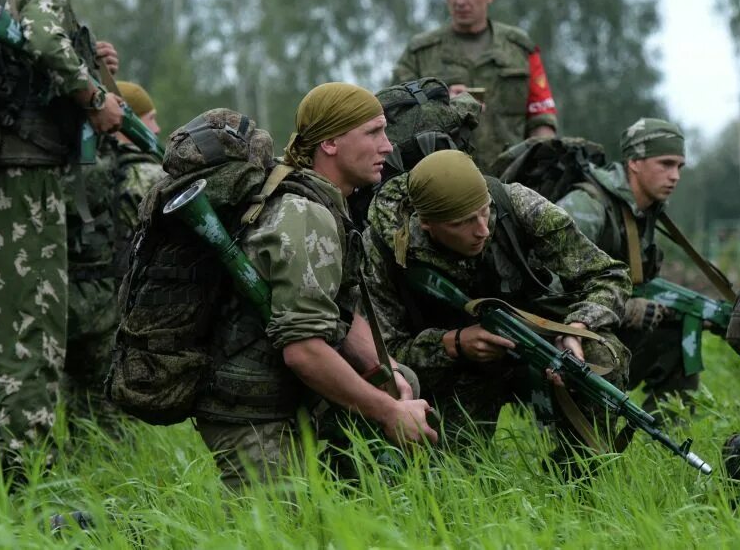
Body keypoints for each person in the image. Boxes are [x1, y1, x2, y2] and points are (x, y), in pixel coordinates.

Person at [191, 82, 438, 488]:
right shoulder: (304, 215)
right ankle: (99, 530)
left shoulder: (324, 201)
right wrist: (386, 412)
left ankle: (346, 498)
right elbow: (304, 352)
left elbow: (338, 309)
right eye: (373, 132)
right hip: (250, 404)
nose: (388, 146)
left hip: (287, 390)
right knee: (278, 528)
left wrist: (385, 368)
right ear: (330, 143)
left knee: (399, 380)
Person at [0, 0, 125, 478]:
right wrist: (93, 97)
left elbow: (44, 49)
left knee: (14, 324)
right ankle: (26, 476)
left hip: (26, 176)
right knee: (31, 325)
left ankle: (7, 468)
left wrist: (93, 63)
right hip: (22, 179)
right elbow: (40, 36)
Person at [362, 149, 630, 455]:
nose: (482, 229)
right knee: (452, 483)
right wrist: (452, 344)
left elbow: (609, 274)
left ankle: (580, 478)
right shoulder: (384, 250)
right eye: (462, 222)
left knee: (601, 355)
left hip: (539, 347)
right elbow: (386, 352)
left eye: (484, 211)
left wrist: (575, 329)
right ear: (426, 224)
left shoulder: (516, 205)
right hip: (454, 371)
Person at [557, 118, 691, 414]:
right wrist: (626, 310)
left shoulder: (644, 213)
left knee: (680, 334)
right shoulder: (587, 207)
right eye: (665, 164)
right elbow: (544, 289)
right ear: (634, 163)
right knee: (602, 353)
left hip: (600, 325)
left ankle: (668, 434)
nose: (675, 176)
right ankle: (578, 449)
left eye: (679, 167)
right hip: (556, 336)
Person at [63, 81, 165, 434]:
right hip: (117, 309)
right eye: (149, 119)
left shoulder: (76, 169)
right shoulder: (150, 177)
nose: (156, 130)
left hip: (68, 300)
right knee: (114, 417)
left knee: (76, 402)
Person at [392, 0, 559, 168]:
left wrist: (543, 169)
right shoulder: (420, 52)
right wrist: (439, 105)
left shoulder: (519, 48)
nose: (460, 1)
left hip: (512, 181)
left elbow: (542, 118)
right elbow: (394, 120)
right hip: (442, 181)